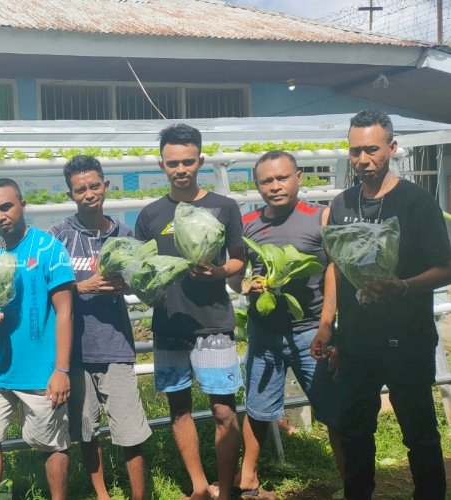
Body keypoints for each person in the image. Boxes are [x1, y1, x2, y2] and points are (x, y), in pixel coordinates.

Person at [311, 110, 451, 500]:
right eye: (355, 151)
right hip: (356, 344)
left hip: (408, 341)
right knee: (356, 432)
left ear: (391, 147)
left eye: (372, 150)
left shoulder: (416, 202)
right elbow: (336, 267)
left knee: (419, 433)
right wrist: (328, 324)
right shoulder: (342, 203)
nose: (363, 159)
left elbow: (446, 267)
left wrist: (403, 287)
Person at [134, 123, 246, 500]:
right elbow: (140, 266)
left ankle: (227, 490)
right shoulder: (150, 214)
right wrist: (143, 285)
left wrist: (218, 271)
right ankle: (199, 487)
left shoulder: (225, 207)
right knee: (179, 407)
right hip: (169, 323)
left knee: (223, 411)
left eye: (187, 161)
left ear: (200, 160)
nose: (180, 169)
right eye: (172, 163)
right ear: (161, 164)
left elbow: (238, 263)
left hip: (213, 321)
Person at [228, 151, 343, 497]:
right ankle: (247, 476)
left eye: (282, 178)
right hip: (265, 333)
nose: (275, 186)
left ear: (299, 177)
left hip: (312, 332)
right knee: (258, 408)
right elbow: (236, 279)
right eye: (266, 181)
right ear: (257, 185)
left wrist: (327, 325)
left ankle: (351, 479)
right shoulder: (247, 224)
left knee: (334, 409)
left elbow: (334, 271)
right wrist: (249, 285)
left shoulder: (321, 217)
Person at [47, 155, 151, 500]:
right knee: (86, 430)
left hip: (115, 345)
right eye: (80, 189)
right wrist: (82, 287)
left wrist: (130, 284)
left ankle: (139, 496)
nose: (89, 193)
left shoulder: (123, 234)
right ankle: (102, 494)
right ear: (71, 195)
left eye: (94, 186)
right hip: (74, 351)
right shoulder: (58, 237)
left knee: (131, 431)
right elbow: (44, 287)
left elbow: (144, 283)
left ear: (106, 186)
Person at [0, 178, 74, 500]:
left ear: (23, 205)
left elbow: (65, 312)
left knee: (51, 445)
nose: (0, 216)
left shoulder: (49, 248)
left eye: (6, 206)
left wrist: (62, 370)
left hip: (42, 373)